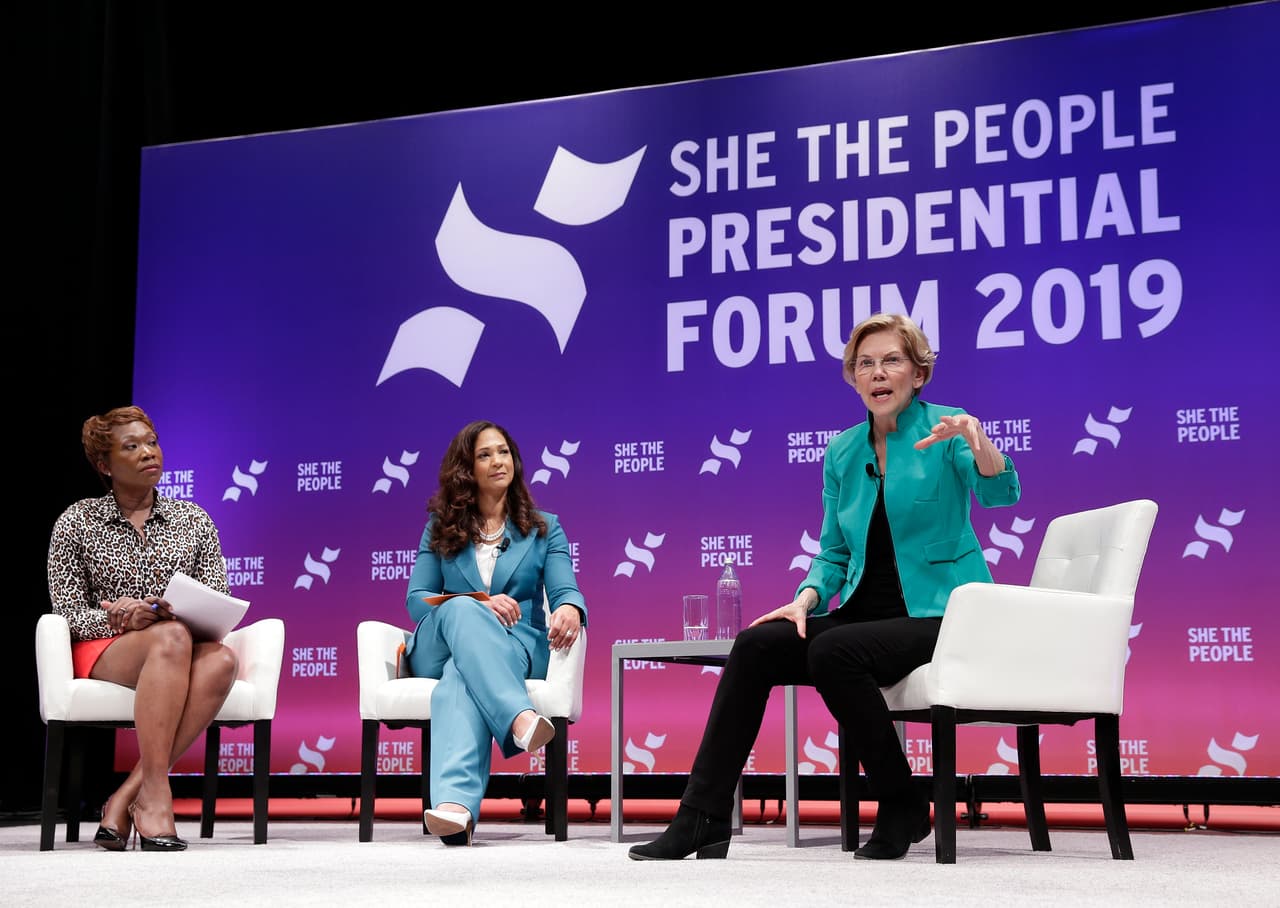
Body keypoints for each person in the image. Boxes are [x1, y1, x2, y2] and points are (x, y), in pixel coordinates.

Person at [630, 313, 1021, 862]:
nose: (877, 373)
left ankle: (898, 802)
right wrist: (807, 598)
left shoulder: (948, 429)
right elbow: (834, 551)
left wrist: (979, 441)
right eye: (865, 364)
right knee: (757, 644)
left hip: (944, 613)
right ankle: (703, 815)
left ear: (917, 373)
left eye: (891, 361)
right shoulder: (842, 453)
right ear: (854, 378)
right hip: (865, 613)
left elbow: (1002, 495)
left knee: (836, 651)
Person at [47, 405, 239, 852]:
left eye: (151, 443)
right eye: (131, 447)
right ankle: (156, 797)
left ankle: (128, 795)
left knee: (222, 660)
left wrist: (173, 615)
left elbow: (217, 600)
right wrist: (120, 618)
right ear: (104, 465)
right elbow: (68, 613)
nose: (148, 453)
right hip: (103, 649)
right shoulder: (77, 521)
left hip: (177, 643)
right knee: (170, 640)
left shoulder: (194, 521)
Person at [404, 419, 586, 846]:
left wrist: (570, 608)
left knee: (459, 679)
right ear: (467, 469)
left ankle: (454, 807)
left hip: (513, 645)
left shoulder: (544, 527)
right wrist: (476, 601)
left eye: (503, 451)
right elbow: (418, 599)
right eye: (484, 454)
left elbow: (565, 589)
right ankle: (519, 717)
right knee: (464, 608)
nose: (497, 461)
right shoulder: (439, 526)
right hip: (440, 639)